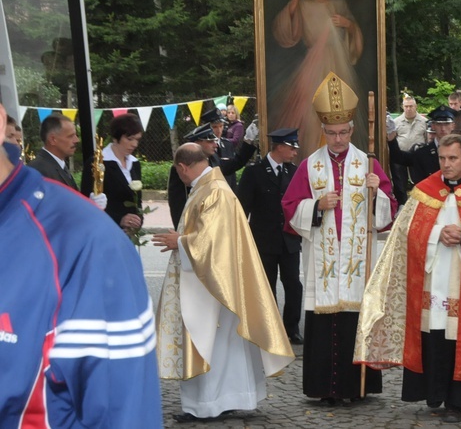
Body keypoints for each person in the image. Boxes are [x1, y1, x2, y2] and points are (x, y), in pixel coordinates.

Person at [0, 103, 162, 426]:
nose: (75, 140)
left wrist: (115, 216)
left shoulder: (86, 245)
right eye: (70, 135)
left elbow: (121, 412)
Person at [354, 134, 461, 424]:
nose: (446, 165)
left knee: (456, 341)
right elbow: (406, 234)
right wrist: (438, 234)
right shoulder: (424, 191)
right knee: (433, 338)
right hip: (431, 279)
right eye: (442, 158)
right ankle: (433, 396)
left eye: (453, 159)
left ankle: (456, 402)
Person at [153, 143, 295, 422]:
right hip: (213, 281)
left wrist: (178, 241)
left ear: (182, 167)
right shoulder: (209, 187)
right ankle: (223, 400)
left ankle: (206, 405)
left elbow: (214, 242)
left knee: (209, 343)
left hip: (211, 287)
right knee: (221, 346)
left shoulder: (214, 191)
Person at [281, 72, 397, 404]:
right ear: (323, 131)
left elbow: (389, 211)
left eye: (343, 132)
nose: (337, 139)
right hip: (324, 260)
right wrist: (315, 205)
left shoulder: (368, 163)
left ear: (351, 129)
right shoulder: (309, 165)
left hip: (358, 261)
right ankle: (324, 389)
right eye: (331, 133)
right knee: (324, 319)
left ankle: (357, 388)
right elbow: (289, 208)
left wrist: (379, 194)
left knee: (353, 320)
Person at [271, 0, 365, 160]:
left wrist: (348, 24)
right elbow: (288, 33)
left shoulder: (339, 3)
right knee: (310, 110)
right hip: (313, 64)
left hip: (337, 61)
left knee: (339, 108)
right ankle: (312, 157)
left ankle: (342, 155)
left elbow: (354, 34)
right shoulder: (304, 4)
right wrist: (294, 2)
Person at [237, 127, 304, 345]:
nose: (295, 152)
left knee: (294, 285)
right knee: (267, 286)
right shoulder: (254, 172)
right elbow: (242, 208)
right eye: (292, 148)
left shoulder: (293, 172)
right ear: (280, 147)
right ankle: (269, 328)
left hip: (289, 240)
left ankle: (291, 329)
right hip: (264, 240)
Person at [167, 114, 257, 229]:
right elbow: (178, 202)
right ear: (197, 143)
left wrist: (248, 141)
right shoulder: (183, 166)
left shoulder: (213, 159)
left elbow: (234, 164)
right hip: (195, 222)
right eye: (210, 141)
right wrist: (181, 230)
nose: (215, 145)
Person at [28, 113, 107, 209]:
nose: (76, 140)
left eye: (76, 135)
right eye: (70, 136)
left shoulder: (56, 165)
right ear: (53, 139)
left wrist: (88, 205)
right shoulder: (39, 170)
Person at [81, 113, 144, 233]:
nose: (134, 144)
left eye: (137, 139)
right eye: (129, 139)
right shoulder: (96, 163)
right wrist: (120, 219)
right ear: (115, 137)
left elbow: (137, 201)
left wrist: (138, 221)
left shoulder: (135, 163)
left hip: (129, 234)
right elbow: (86, 203)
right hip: (105, 232)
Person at [388, 105, 461, 188]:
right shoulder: (422, 152)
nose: (443, 128)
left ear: (453, 126)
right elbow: (398, 157)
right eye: (439, 124)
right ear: (433, 126)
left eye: (446, 124)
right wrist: (391, 137)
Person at [390, 94, 428, 205]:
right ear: (403, 107)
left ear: (416, 106)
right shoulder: (395, 122)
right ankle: (401, 204)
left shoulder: (424, 122)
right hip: (400, 156)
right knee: (400, 183)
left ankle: (418, 203)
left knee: (418, 182)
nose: (408, 109)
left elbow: (427, 139)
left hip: (417, 157)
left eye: (411, 106)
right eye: (406, 106)